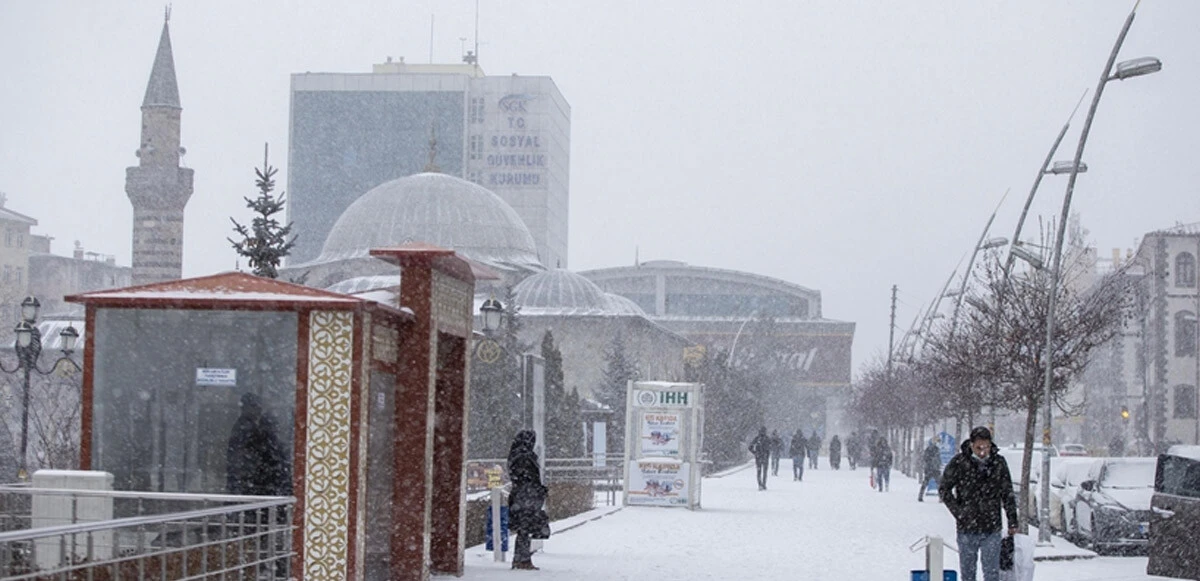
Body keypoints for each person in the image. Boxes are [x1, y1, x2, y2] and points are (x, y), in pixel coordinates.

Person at [938, 427, 1018, 581]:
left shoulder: (998, 462)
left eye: (986, 447)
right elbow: (944, 489)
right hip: (967, 528)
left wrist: (1012, 520)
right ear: (971, 445)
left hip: (992, 527)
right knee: (968, 574)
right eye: (978, 448)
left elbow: (1007, 492)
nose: (982, 452)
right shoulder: (959, 462)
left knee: (992, 573)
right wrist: (959, 512)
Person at [226, 393, 289, 496]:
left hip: (250, 478)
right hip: (248, 478)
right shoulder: (246, 427)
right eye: (255, 406)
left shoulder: (248, 426)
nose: (259, 410)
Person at [508, 430, 547, 571]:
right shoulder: (525, 457)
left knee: (524, 529)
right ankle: (522, 559)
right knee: (525, 528)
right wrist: (538, 489)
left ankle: (521, 559)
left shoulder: (515, 455)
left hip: (521, 496)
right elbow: (529, 477)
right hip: (526, 497)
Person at [919, 437, 942, 502]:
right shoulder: (935, 449)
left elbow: (925, 458)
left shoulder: (929, 449)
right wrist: (937, 465)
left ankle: (920, 496)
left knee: (925, 483)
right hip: (934, 469)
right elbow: (937, 459)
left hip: (930, 469)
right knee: (939, 483)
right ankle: (941, 497)